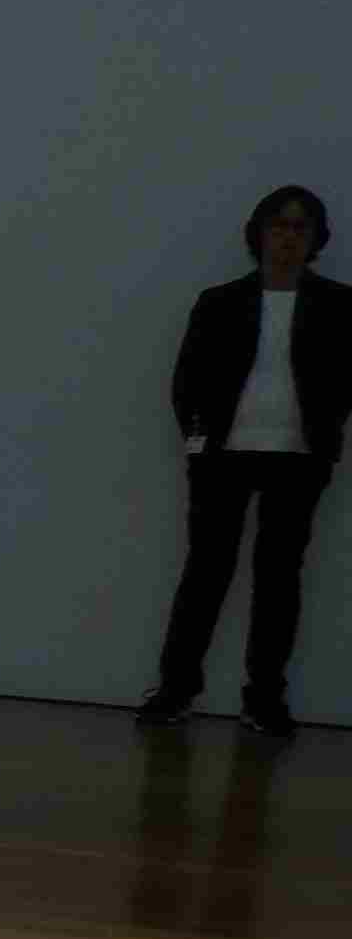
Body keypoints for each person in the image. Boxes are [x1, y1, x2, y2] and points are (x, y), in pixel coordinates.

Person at [140, 181, 346, 739]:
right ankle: (175, 690)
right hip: (221, 459)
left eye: (300, 226)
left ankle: (264, 699)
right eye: (278, 225)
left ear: (316, 238)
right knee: (206, 573)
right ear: (258, 233)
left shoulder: (340, 305)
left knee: (279, 581)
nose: (288, 236)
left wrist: (327, 436)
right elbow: (187, 381)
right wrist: (198, 445)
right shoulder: (219, 302)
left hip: (300, 460)